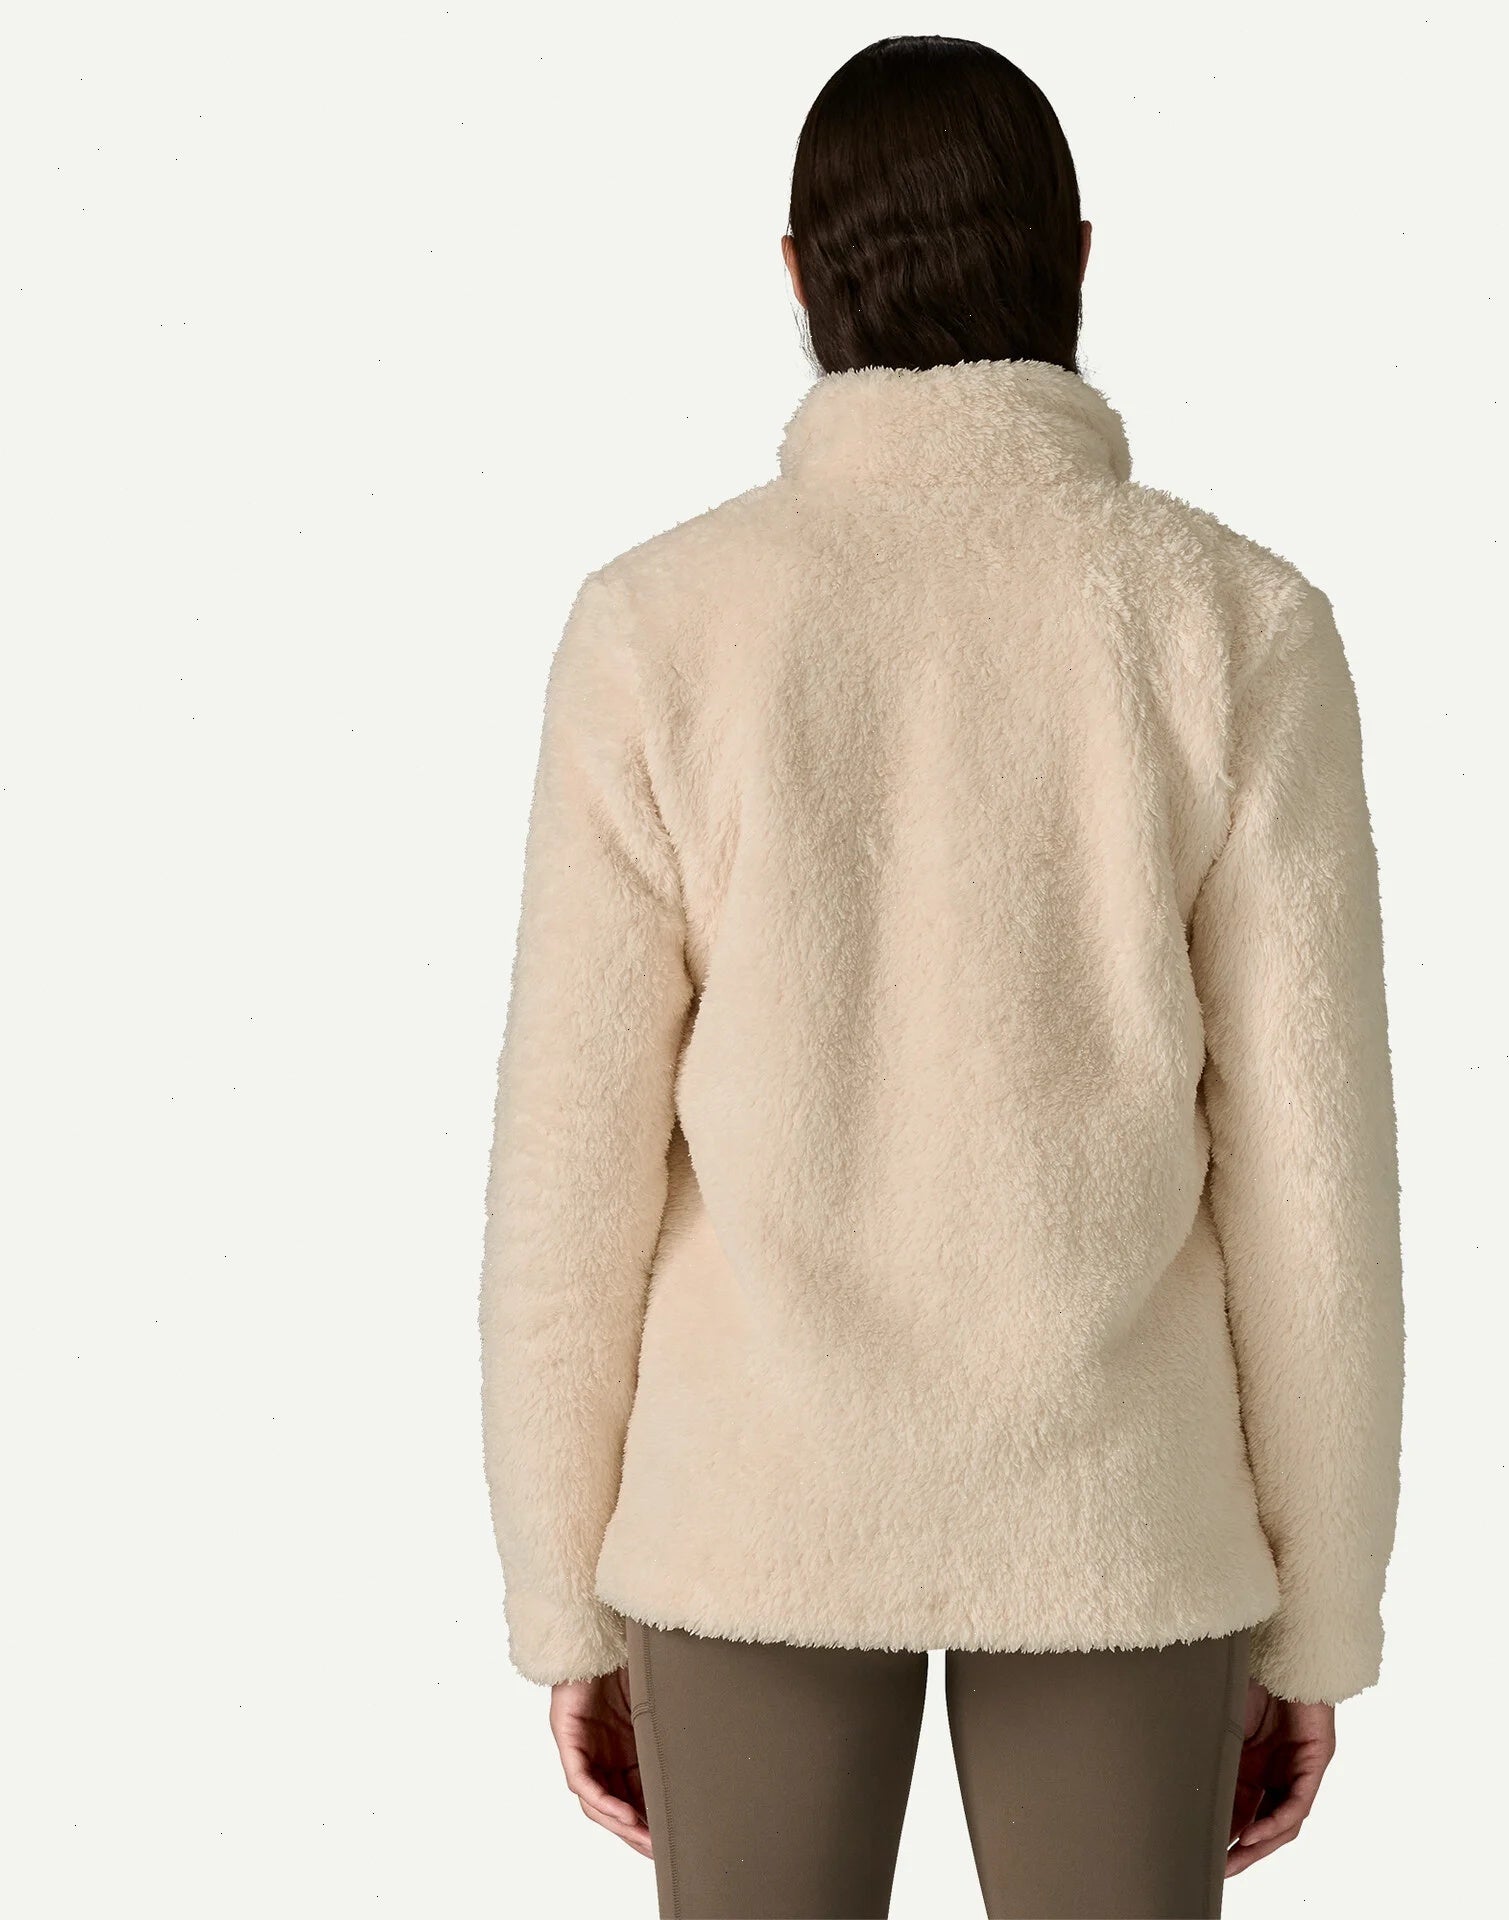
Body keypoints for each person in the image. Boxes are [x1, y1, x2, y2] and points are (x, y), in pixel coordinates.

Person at [478, 33, 1404, 1920]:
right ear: (1081, 260)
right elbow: (1315, 1182)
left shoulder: (657, 628)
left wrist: (561, 1597)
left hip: (752, 1509)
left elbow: (568, 1173)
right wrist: (1319, 1615)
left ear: (795, 275)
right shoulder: (1236, 626)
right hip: (1120, 1514)